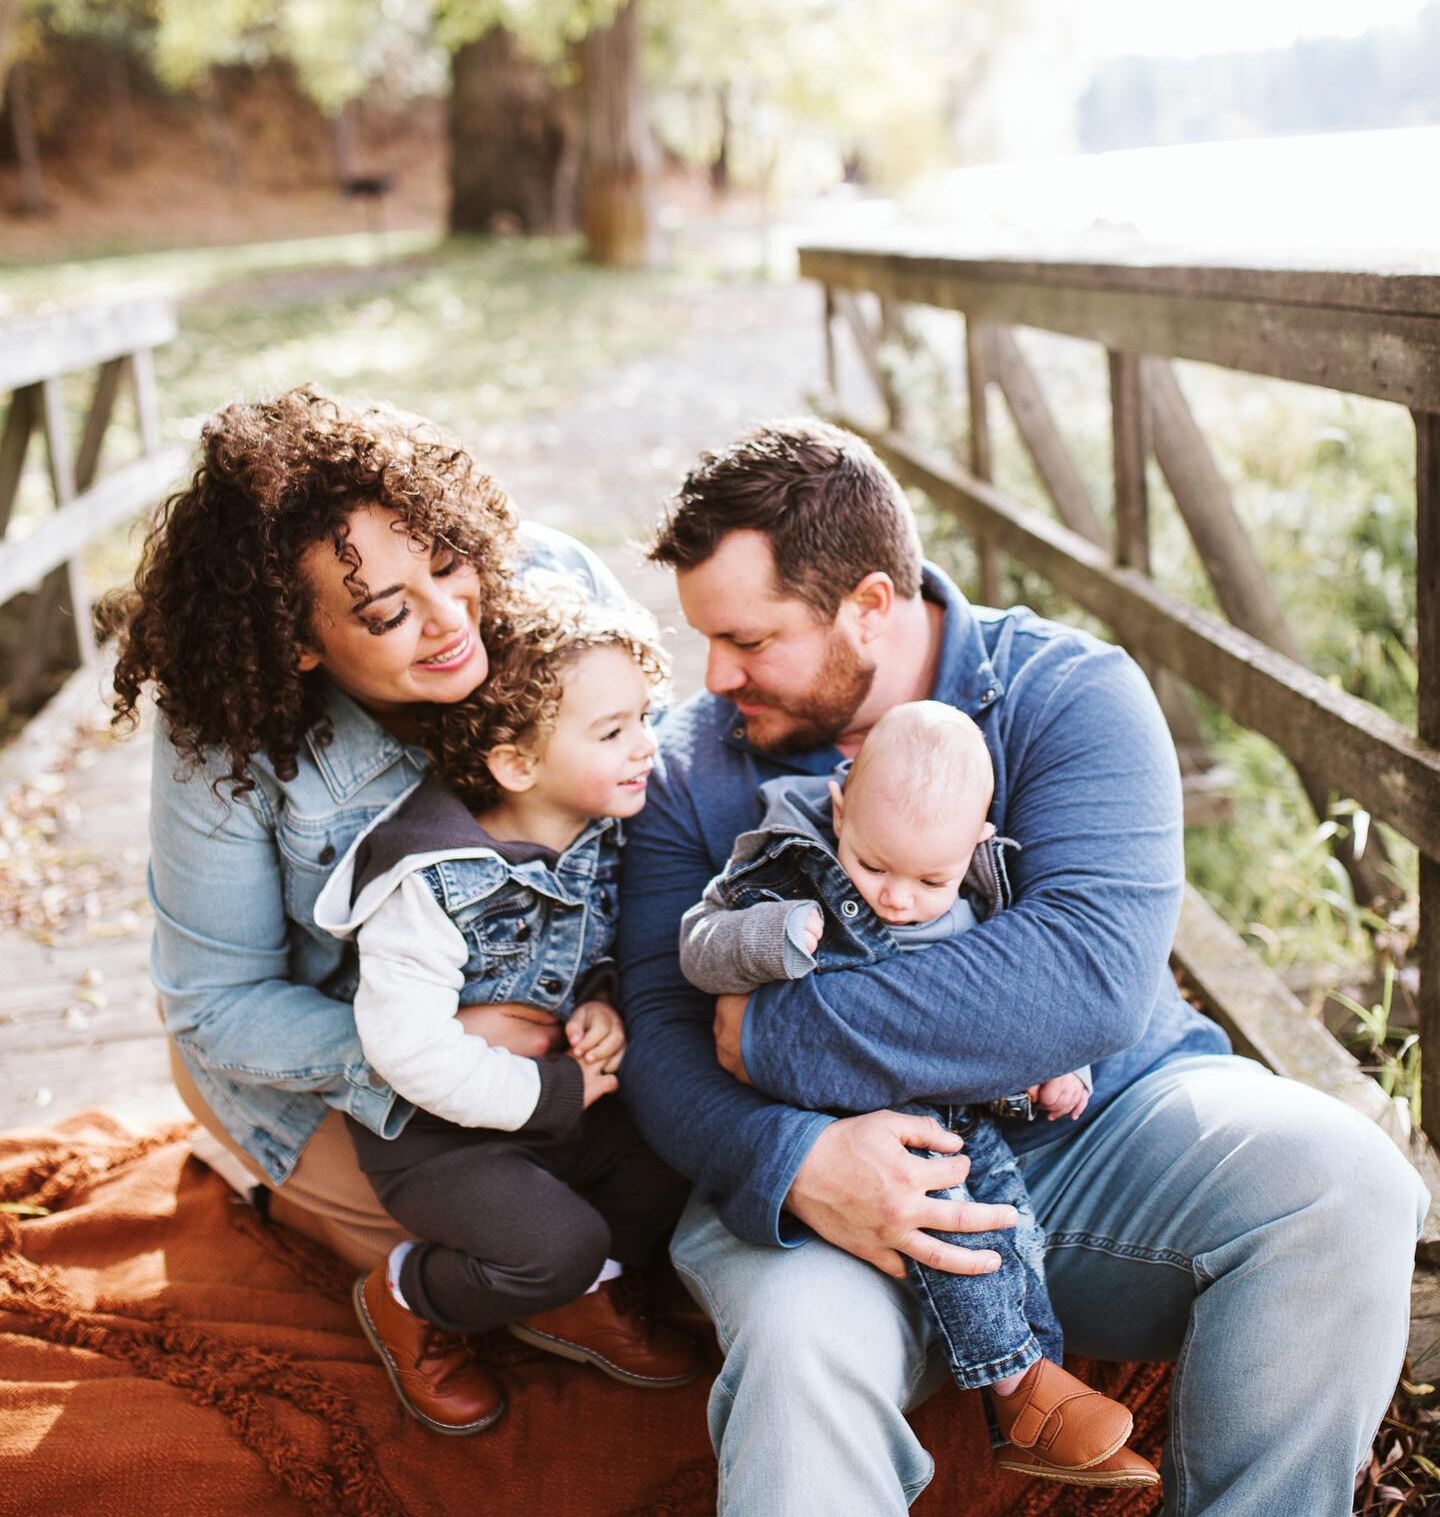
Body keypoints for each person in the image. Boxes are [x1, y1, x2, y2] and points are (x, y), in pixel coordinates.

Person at [617, 417, 1429, 1516]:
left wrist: (771, 1034)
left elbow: (1082, 979)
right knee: (803, 1349)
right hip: (813, 1182)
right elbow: (665, 1042)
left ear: (868, 604)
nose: (716, 677)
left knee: (1349, 1180)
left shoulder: (1069, 694)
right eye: (706, 639)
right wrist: (794, 1156)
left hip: (1094, 1120)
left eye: (750, 641)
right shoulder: (686, 769)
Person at [104, 385, 633, 1436]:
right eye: (387, 613)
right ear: (297, 641)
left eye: (447, 565)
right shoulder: (226, 734)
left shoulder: (558, 587)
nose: (451, 622)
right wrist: (417, 1047)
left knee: (654, 1188)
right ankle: (397, 1289)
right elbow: (216, 1003)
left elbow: (646, 794)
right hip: (339, 1067)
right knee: (524, 1240)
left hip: (567, 1016)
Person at [677, 699, 1157, 1489]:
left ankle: (1036, 1393)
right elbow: (698, 946)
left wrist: (1059, 1065)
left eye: (930, 878)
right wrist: (770, 937)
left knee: (1007, 1224)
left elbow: (1035, 1004)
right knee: (952, 1224)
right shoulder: (784, 864)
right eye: (871, 867)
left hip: (969, 1110)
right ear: (840, 807)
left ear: (973, 846)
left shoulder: (987, 887)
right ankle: (1016, 1384)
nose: (896, 898)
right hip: (843, 1120)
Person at [311, 596, 699, 1432]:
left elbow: (592, 953)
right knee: (552, 1245)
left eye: (643, 718)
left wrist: (602, 1007)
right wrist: (552, 1095)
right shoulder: (431, 882)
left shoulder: (603, 827)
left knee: (672, 1156)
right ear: (518, 766)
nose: (645, 745)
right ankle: (411, 1294)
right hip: (436, 1136)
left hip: (559, 1101)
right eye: (612, 732)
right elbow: (404, 1049)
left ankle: (578, 1292)